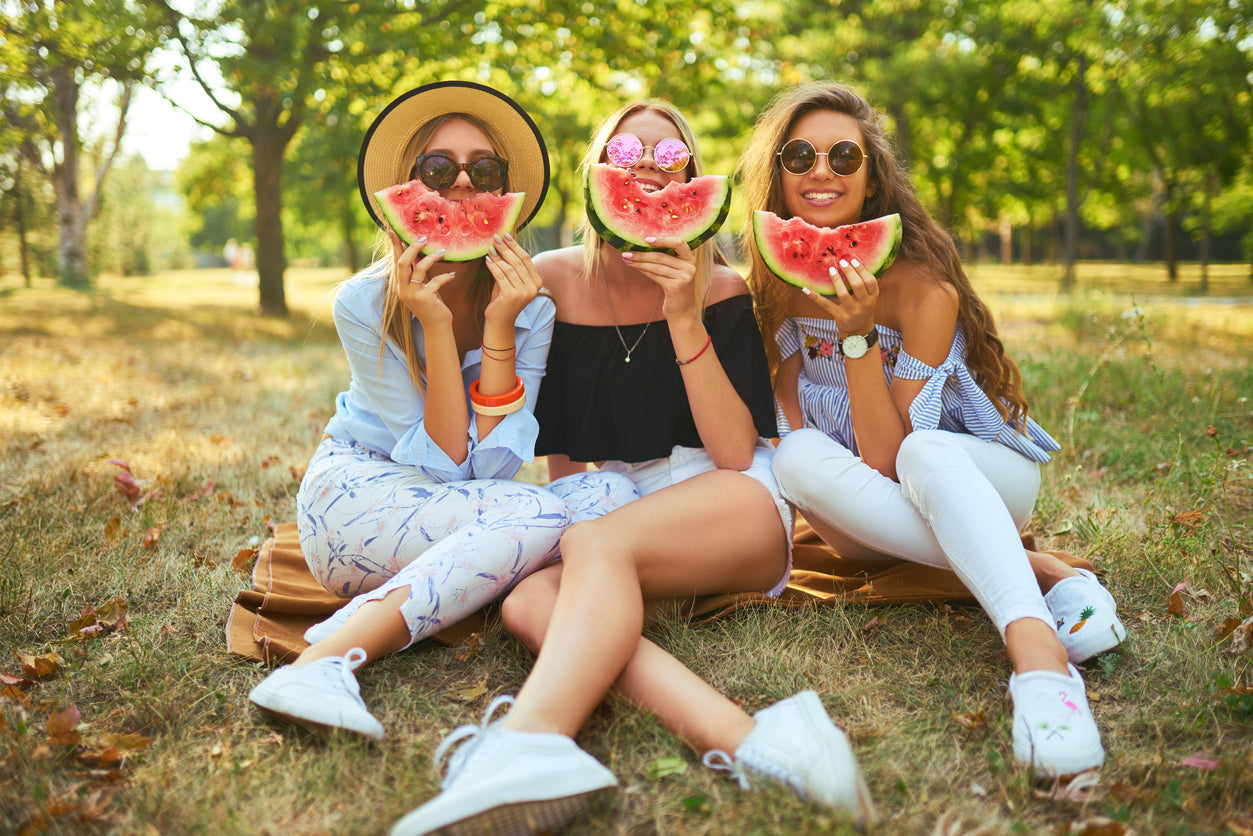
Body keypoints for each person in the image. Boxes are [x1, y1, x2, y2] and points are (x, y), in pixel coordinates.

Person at [388, 101, 877, 836]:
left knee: (593, 548)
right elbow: (556, 447)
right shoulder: (545, 281)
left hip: (730, 498)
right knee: (526, 602)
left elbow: (736, 452)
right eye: (625, 149)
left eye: (670, 156)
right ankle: (756, 742)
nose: (647, 165)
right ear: (595, 174)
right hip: (612, 502)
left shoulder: (720, 290)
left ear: (692, 174)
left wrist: (683, 314)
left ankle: (525, 743)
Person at [739, 81, 1127, 779]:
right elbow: (794, 429)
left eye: (842, 156)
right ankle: (1042, 573)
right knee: (793, 455)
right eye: (799, 155)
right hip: (864, 509)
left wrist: (857, 339)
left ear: (871, 175)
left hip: (973, 474)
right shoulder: (771, 282)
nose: (820, 171)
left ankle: (1036, 660)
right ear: (777, 174)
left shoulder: (923, 287)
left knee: (922, 449)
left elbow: (889, 460)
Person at [247, 80, 625, 741]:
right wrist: (435, 321)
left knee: (615, 494)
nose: (459, 186)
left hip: (468, 510)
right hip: (358, 497)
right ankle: (325, 661)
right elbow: (451, 466)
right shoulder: (362, 304)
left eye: (483, 170)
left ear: (502, 192)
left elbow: (501, 462)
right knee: (544, 508)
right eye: (436, 168)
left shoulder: (529, 306)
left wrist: (503, 325)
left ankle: (381, 621)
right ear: (408, 188)